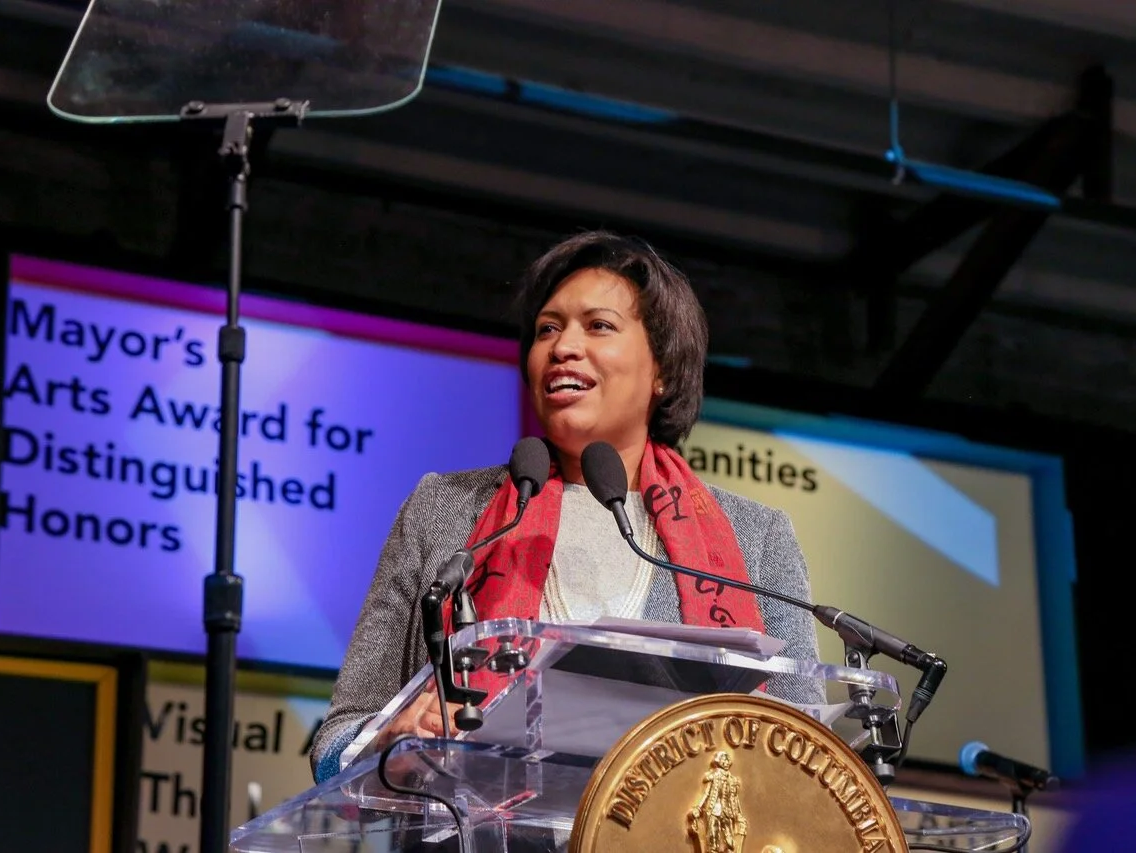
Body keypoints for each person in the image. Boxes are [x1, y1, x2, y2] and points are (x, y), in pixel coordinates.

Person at [310, 230, 823, 783]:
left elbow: (808, 749)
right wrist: (389, 737)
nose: (562, 347)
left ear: (663, 371)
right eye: (547, 329)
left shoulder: (755, 537)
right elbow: (337, 738)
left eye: (598, 326)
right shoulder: (444, 510)